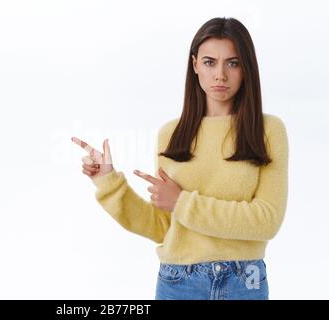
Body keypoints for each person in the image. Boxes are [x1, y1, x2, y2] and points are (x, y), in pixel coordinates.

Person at [71, 17, 288, 300]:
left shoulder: (268, 130)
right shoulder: (171, 134)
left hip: (244, 280)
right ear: (195, 65)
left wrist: (183, 202)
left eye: (232, 63)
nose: (220, 75)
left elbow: (266, 221)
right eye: (210, 62)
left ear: (246, 68)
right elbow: (162, 226)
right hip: (179, 282)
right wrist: (107, 181)